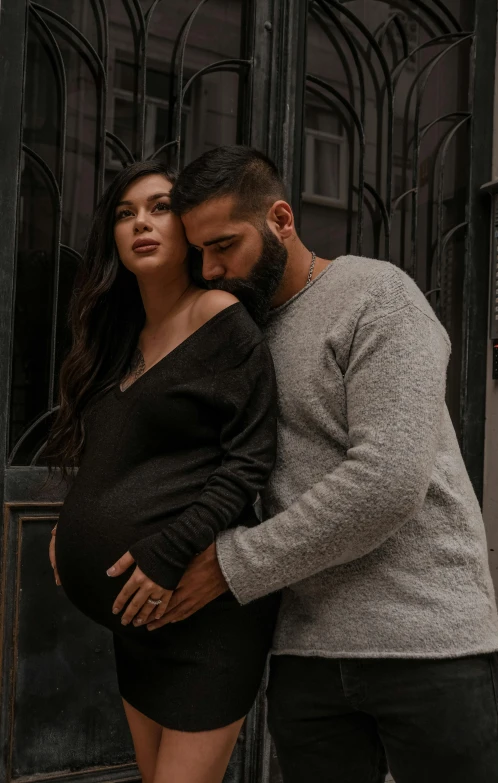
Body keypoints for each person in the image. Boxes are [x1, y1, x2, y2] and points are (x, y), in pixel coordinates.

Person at [143, 145, 498, 783]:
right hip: (304, 657)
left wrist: (232, 565)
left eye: (225, 245)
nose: (212, 267)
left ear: (281, 219)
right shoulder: (237, 335)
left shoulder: (375, 295)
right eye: (200, 252)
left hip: (428, 645)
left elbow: (385, 482)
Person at [46, 160, 280, 783]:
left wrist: (167, 552)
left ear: (188, 233)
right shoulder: (122, 337)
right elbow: (117, 453)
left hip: (199, 619)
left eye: (158, 209)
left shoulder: (218, 317)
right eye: (125, 214)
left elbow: (248, 459)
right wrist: (68, 525)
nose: (140, 224)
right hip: (137, 623)